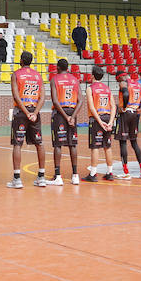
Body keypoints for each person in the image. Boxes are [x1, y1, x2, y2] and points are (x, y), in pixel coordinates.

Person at [7, 51, 45, 188]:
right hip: (34, 112)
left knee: (17, 144)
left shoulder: (16, 74)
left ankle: (17, 179)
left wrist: (25, 112)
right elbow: (42, 97)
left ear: (21, 60)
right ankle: (41, 177)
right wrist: (34, 113)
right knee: (39, 143)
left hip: (21, 112)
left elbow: (16, 96)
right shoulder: (37, 75)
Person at [48, 58, 81, 186]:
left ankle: (58, 176)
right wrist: (72, 116)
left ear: (58, 67)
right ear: (67, 68)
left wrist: (66, 117)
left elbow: (55, 102)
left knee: (58, 144)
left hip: (59, 114)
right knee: (73, 144)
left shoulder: (54, 80)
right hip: (72, 112)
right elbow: (81, 100)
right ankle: (75, 175)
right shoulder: (74, 80)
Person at [83, 65, 115, 182]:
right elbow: (113, 106)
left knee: (95, 147)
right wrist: (110, 122)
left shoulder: (90, 88)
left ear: (92, 76)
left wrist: (99, 121)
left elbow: (92, 107)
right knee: (107, 146)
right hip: (107, 117)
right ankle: (110, 172)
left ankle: (93, 174)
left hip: (97, 119)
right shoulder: (107, 88)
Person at [116, 72, 141, 179]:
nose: (118, 83)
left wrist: (124, 107)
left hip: (125, 114)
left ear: (120, 77)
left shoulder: (124, 83)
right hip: (135, 113)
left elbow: (125, 94)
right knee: (134, 143)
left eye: (118, 80)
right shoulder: (138, 84)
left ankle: (126, 172)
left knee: (123, 142)